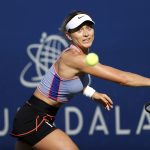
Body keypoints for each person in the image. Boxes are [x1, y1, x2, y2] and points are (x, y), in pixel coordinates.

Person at [11, 10, 150, 150]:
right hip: (33, 119)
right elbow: (123, 79)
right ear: (68, 35)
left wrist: (91, 93)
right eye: (79, 29)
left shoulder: (75, 55)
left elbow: (67, 81)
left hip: (36, 116)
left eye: (88, 27)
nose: (86, 33)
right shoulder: (74, 58)